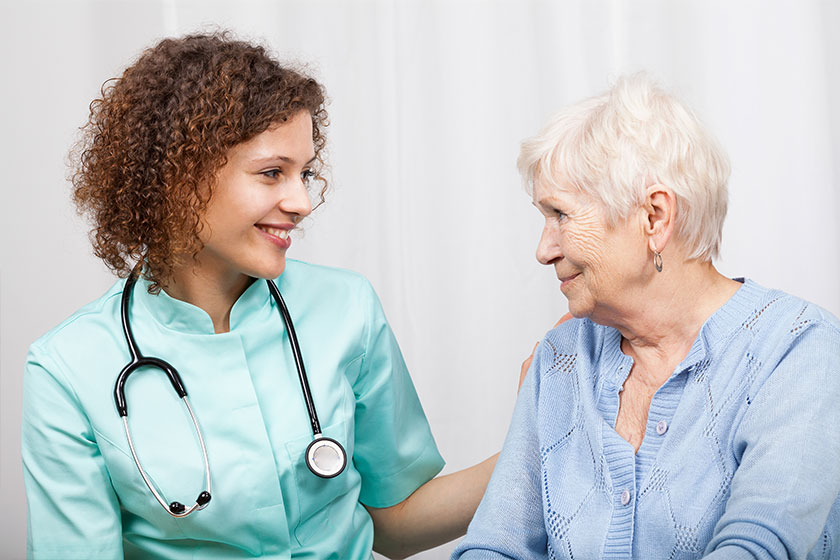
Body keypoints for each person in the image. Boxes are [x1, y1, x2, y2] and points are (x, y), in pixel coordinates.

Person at [21, 32, 498, 560]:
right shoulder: (66, 366)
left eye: (306, 173)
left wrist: (544, 437)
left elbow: (398, 524)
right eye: (272, 173)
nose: (302, 202)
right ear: (180, 179)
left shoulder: (346, 308)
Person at [452, 74, 840, 558]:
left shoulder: (799, 349)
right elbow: (494, 546)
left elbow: (759, 547)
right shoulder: (560, 357)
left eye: (561, 215)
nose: (543, 250)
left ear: (655, 217)